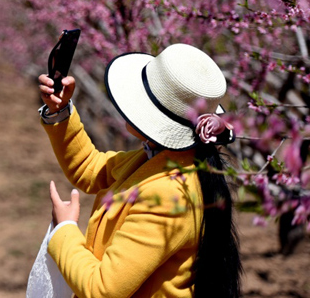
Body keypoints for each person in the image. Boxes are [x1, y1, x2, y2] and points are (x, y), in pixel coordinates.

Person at [37, 43, 242, 298]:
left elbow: (101, 289)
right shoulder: (158, 159)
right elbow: (90, 169)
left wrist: (64, 230)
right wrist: (60, 111)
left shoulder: (168, 195)